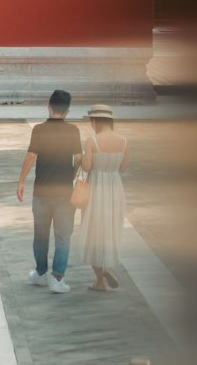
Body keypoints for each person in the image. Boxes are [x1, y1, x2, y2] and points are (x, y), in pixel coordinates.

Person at [16, 88, 83, 294]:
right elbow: (79, 158)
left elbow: (30, 157)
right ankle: (57, 278)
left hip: (41, 191)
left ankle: (41, 272)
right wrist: (70, 176)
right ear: (67, 111)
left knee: (41, 234)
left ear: (49, 107)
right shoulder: (73, 130)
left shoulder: (39, 130)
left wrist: (20, 182)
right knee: (63, 236)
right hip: (64, 192)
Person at [76, 102, 129, 290]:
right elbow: (123, 168)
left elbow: (87, 167)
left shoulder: (93, 140)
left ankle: (100, 279)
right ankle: (106, 267)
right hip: (115, 187)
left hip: (96, 187)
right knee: (109, 229)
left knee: (93, 231)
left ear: (95, 121)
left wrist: (81, 158)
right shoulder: (124, 141)